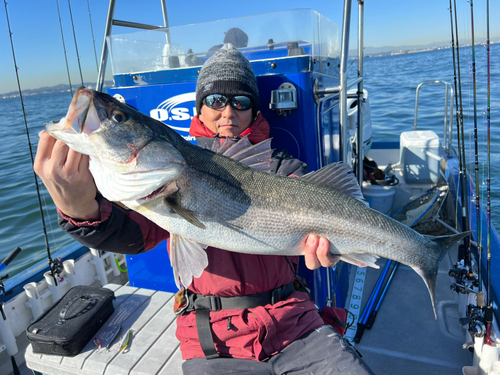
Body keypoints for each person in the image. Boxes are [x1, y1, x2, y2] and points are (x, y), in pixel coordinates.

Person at [34, 44, 375, 374]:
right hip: (212, 339)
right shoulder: (160, 183)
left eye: (240, 101)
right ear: (199, 109)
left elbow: (325, 215)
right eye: (216, 100)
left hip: (295, 322)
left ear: (255, 112)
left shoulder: (282, 169)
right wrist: (79, 210)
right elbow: (132, 236)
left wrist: (332, 250)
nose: (228, 112)